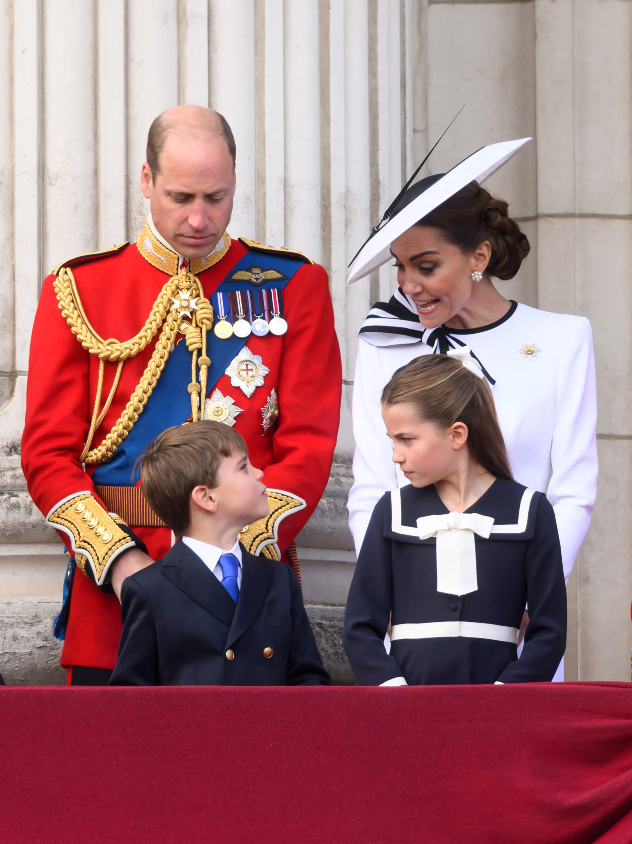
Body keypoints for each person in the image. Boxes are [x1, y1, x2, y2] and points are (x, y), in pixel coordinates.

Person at [21, 105, 342, 685]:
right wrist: (125, 567)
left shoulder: (294, 285)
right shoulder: (79, 289)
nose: (199, 218)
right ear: (146, 180)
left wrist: (223, 559)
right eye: (180, 197)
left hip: (243, 588)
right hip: (117, 592)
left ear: (236, 183)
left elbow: (309, 446)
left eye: (216, 198)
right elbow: (47, 454)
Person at [346, 140, 597, 679]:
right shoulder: (383, 343)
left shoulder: (561, 340)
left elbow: (574, 490)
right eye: (400, 268)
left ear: (478, 257)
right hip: (416, 629)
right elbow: (372, 487)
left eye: (427, 265)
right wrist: (391, 595)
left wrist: (533, 596)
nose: (409, 287)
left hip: (517, 627)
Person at [343, 351, 567, 686]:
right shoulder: (391, 511)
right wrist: (393, 691)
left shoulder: (530, 510)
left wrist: (507, 695)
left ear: (457, 434)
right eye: (392, 440)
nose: (395, 455)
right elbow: (360, 628)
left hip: (498, 711)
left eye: (406, 439)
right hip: (406, 709)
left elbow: (549, 632)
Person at [110, 422, 330, 686]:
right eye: (243, 467)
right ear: (207, 498)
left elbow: (308, 680)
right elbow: (131, 700)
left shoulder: (279, 579)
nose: (260, 473)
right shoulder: (149, 588)